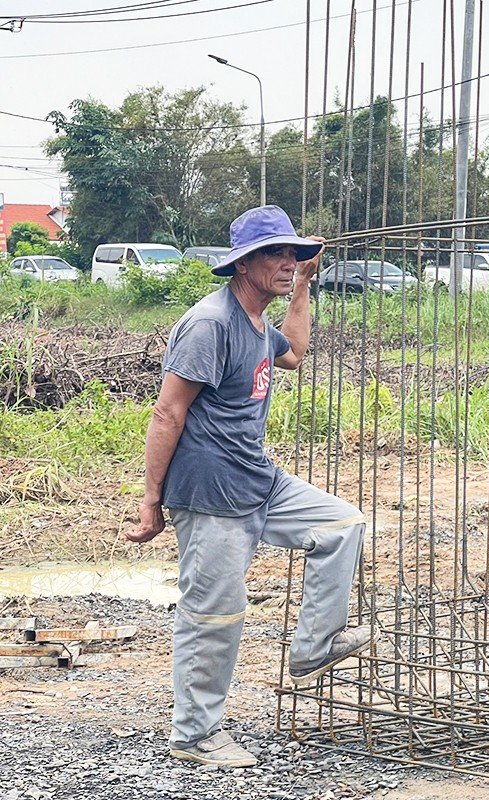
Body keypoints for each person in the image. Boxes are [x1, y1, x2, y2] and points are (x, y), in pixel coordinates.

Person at [126, 205, 370, 768]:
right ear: (243, 263)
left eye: (294, 254)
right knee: (214, 615)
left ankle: (314, 647)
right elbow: (168, 413)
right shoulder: (210, 324)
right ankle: (195, 735)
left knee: (340, 524)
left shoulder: (258, 323)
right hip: (210, 491)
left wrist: (306, 286)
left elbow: (296, 354)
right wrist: (151, 500)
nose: (288, 263)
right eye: (276, 255)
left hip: (258, 479)